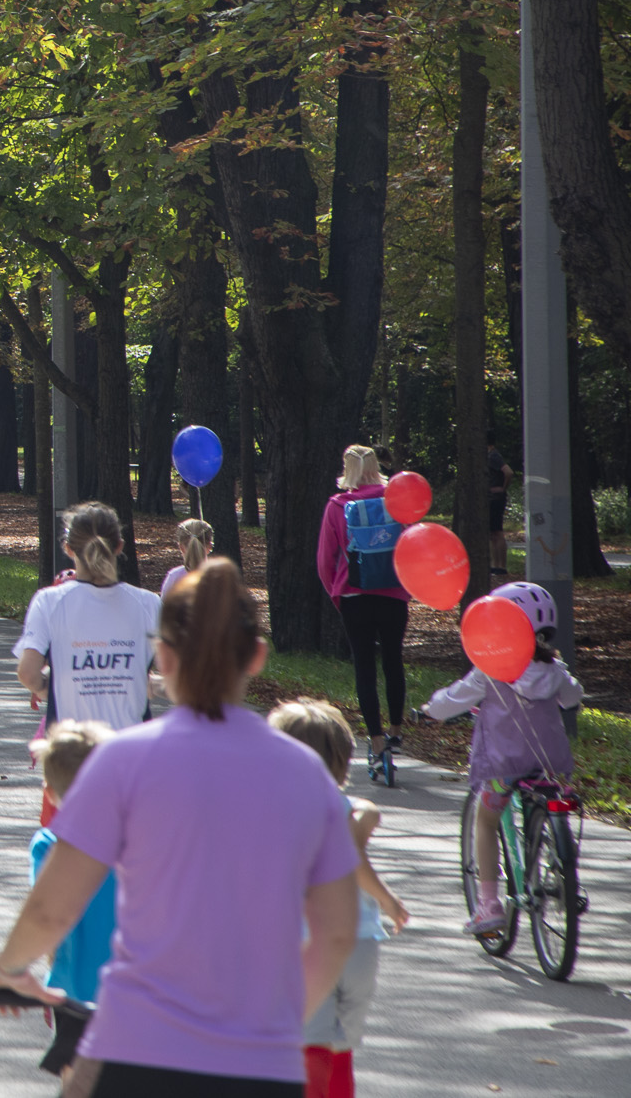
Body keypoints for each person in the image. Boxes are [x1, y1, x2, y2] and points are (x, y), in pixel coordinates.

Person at [0, 559, 361, 1096]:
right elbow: (338, 931)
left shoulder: (120, 762)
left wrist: (9, 969)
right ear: (256, 656)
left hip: (137, 1045)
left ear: (162, 656)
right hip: (260, 1059)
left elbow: (53, 906)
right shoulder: (306, 774)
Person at [420, 580, 584, 936]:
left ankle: (489, 906)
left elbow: (452, 699)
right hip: (549, 767)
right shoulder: (555, 671)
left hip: (503, 768)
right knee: (551, 807)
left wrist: (430, 709)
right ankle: (562, 873)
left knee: (485, 820)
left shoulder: (492, 670)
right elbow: (573, 698)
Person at [267, 698, 409, 1098]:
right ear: (344, 760)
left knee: (310, 1050)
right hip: (361, 945)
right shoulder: (356, 813)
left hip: (305, 946)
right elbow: (354, 857)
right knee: (340, 1049)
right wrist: (386, 900)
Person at [16, 501, 165, 810]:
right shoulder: (149, 605)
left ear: (68, 549)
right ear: (120, 546)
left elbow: (28, 673)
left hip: (70, 761)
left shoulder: (50, 602)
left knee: (74, 851)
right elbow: (179, 675)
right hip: (133, 759)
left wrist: (49, 689)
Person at [26, 721, 118, 1078]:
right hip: (139, 991)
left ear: (49, 792)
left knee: (77, 1079)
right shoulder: (140, 840)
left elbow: (49, 915)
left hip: (76, 986)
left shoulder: (50, 845)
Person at [314, 445, 409, 784]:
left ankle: (377, 738)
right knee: (393, 660)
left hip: (354, 595)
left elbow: (326, 560)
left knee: (364, 666)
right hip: (394, 594)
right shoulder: (397, 501)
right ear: (375, 466)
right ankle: (396, 729)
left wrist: (336, 592)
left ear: (347, 468)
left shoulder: (337, 506)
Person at [160, 516, 215, 597]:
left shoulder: (174, 577)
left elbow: (164, 607)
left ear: (181, 547)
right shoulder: (221, 576)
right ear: (210, 546)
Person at [485, 438, 513, 562]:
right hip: (493, 497)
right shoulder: (492, 456)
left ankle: (500, 565)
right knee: (493, 533)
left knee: (497, 532)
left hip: (495, 497)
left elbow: (508, 472)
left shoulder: (493, 456)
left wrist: (503, 488)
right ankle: (496, 565)